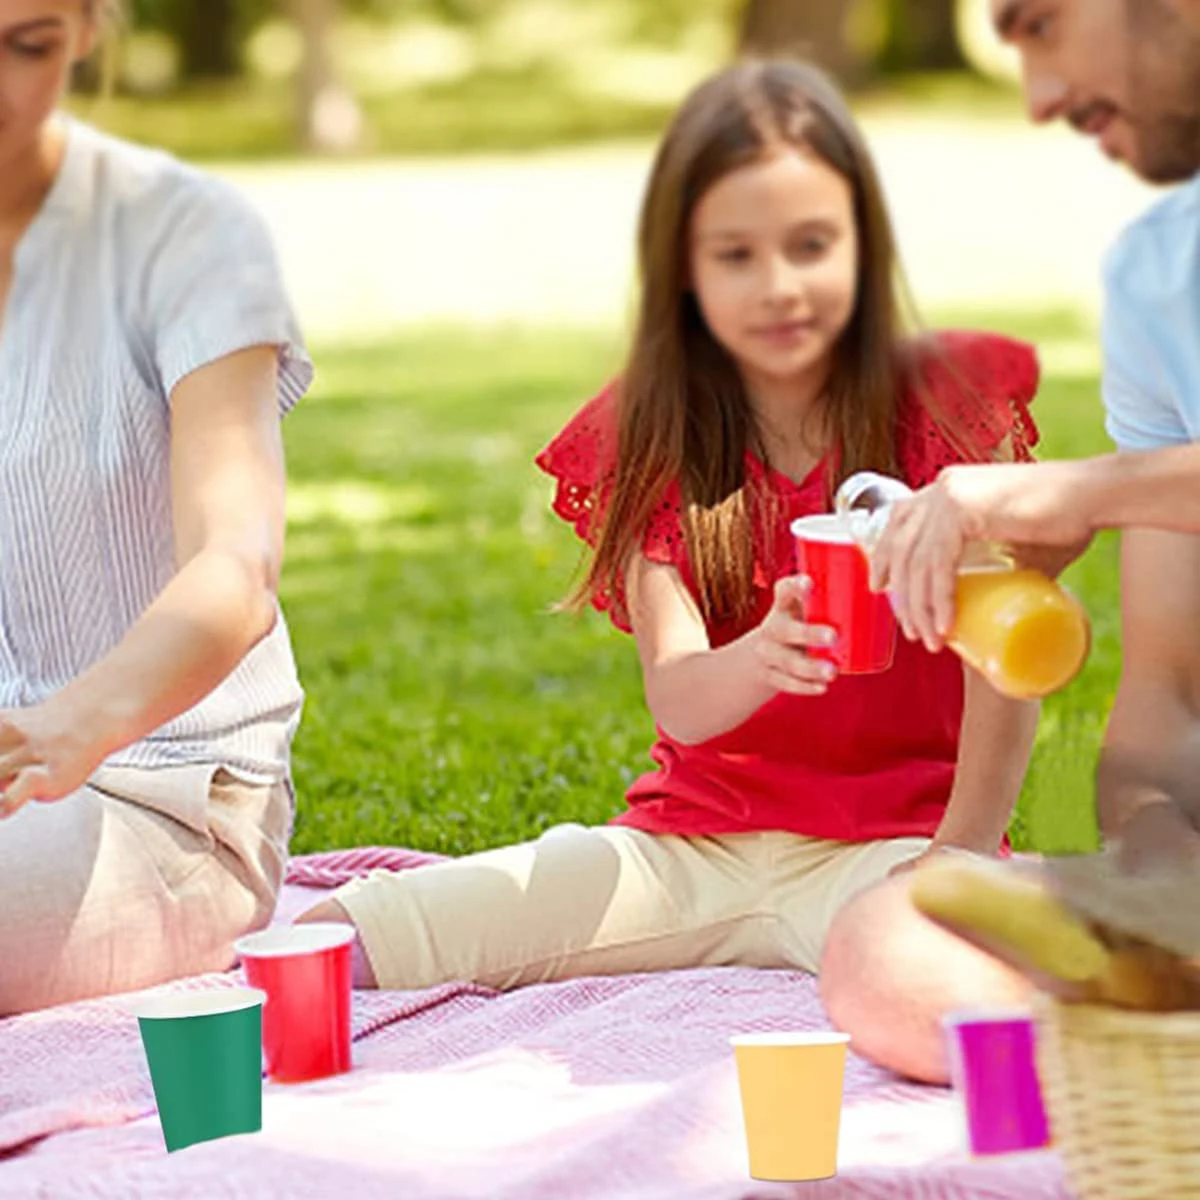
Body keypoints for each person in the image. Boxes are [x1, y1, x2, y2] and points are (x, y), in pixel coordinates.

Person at [300, 58, 1036, 1083]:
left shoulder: (944, 407)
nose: (779, 285)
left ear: (864, 247)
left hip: (895, 852)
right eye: (736, 254)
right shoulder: (654, 438)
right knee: (356, 931)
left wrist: (961, 846)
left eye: (812, 245)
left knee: (947, 989)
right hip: (690, 852)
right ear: (684, 271)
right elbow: (682, 700)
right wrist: (766, 655)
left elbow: (1008, 661)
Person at [0, 0, 312, 1013]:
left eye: (28, 46)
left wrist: (69, 725)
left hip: (167, 800)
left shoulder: (191, 238)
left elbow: (236, 567)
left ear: (88, 31)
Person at [861, 0, 1200, 857]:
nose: (1039, 99)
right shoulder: (1154, 279)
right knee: (887, 946)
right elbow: (1169, 704)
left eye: (1042, 24)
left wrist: (1083, 494)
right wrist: (1159, 859)